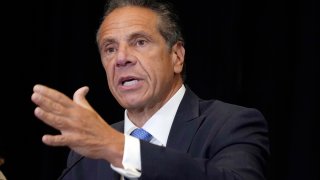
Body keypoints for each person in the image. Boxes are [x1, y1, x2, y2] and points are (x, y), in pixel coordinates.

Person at [31, 0, 270, 179]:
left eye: (140, 42)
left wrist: (118, 148)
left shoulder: (230, 125)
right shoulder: (87, 151)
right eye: (110, 48)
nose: (121, 58)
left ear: (177, 56)